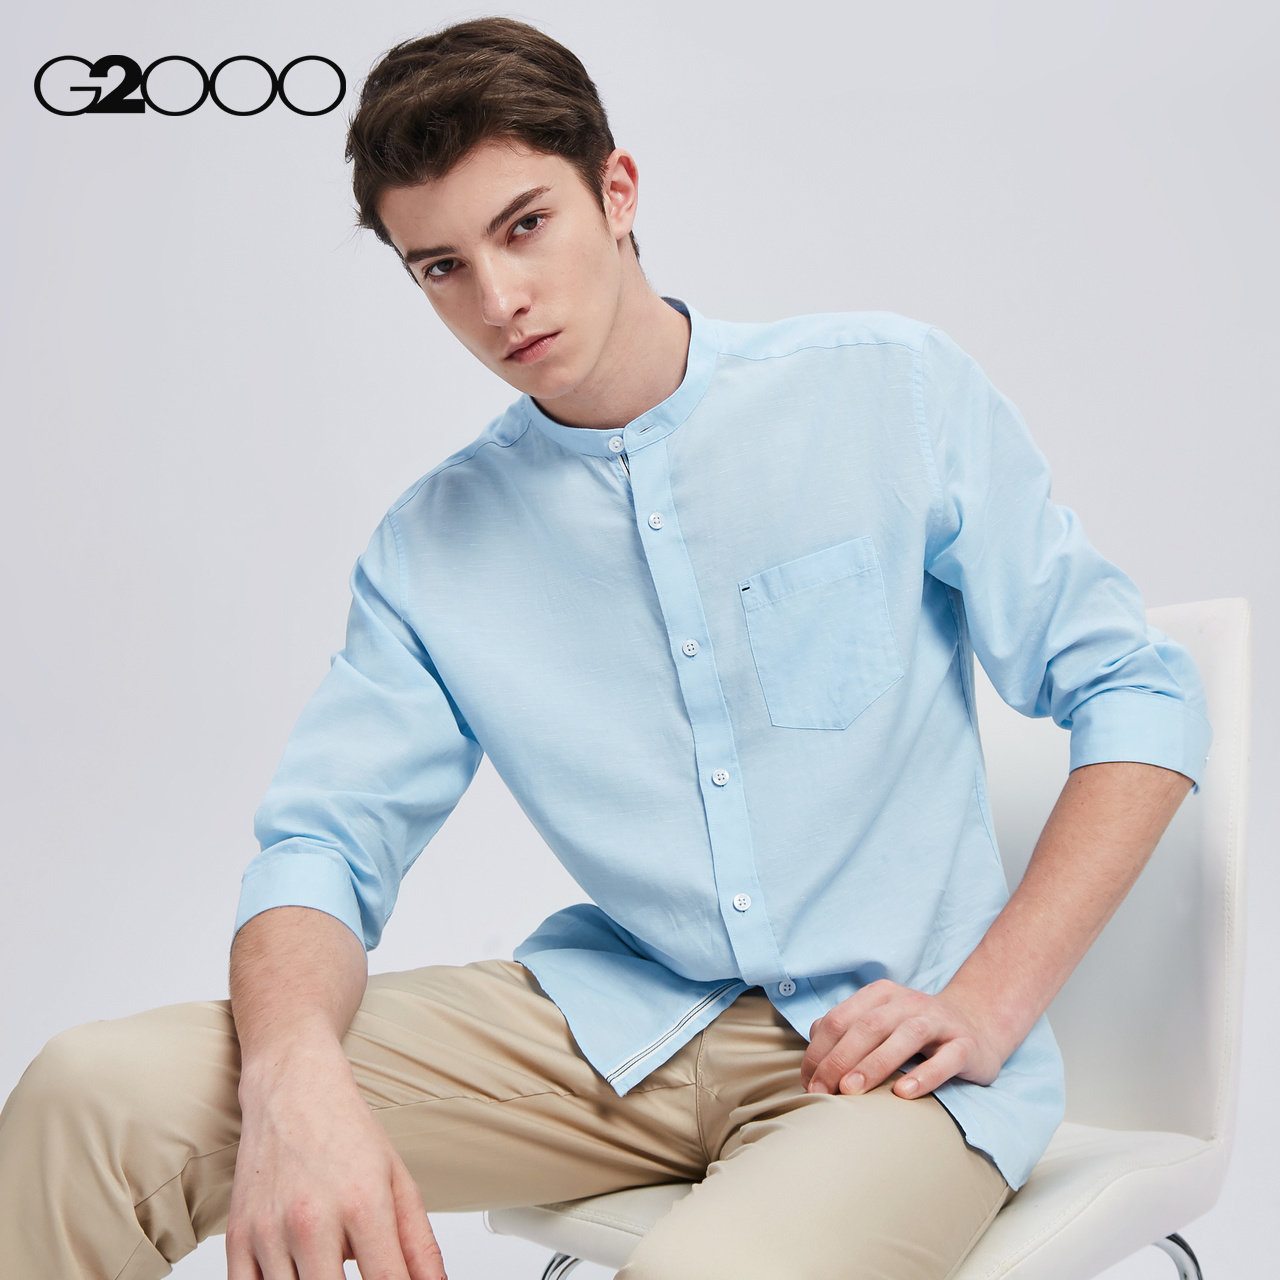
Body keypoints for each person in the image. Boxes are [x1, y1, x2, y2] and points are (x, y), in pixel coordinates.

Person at [0, 16, 1211, 1280]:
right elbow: (321, 847)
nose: (496, 299)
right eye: (441, 266)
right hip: (610, 1030)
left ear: (616, 192)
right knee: (95, 1098)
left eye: (524, 225)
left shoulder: (883, 392)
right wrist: (294, 1074)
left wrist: (990, 999)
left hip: (887, 1063)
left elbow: (1133, 688)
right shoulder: (433, 546)